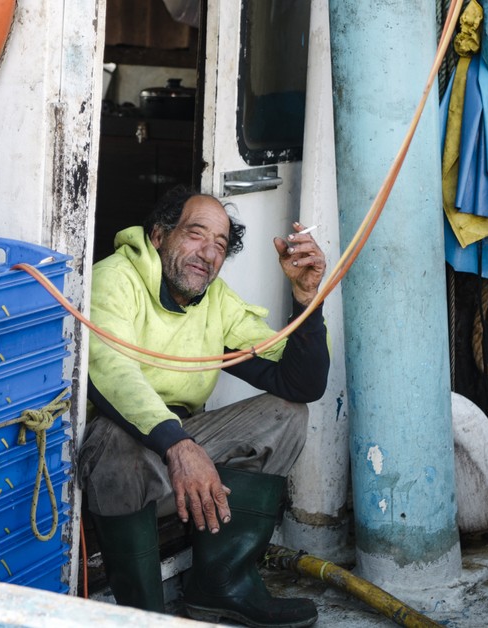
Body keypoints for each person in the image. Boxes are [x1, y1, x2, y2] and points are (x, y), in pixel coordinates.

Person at [80, 185, 330, 627]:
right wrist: (179, 446)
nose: (209, 253)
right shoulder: (114, 278)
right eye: (196, 234)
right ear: (159, 236)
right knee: (120, 440)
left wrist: (307, 299)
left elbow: (300, 383)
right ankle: (146, 616)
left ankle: (222, 586)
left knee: (287, 415)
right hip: (109, 463)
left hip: (175, 452)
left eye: (220, 244)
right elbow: (113, 374)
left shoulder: (215, 301)